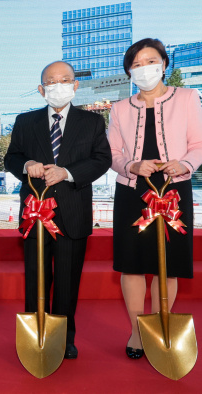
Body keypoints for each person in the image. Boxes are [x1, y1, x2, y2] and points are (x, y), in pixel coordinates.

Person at [4, 61, 111, 359]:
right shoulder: (25, 122)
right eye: (51, 81)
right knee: (35, 277)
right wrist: (27, 166)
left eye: (65, 79)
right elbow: (11, 158)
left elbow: (101, 160)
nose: (58, 85)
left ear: (75, 85)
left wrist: (67, 172)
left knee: (67, 280)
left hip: (73, 212)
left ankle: (64, 338)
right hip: (35, 214)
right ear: (41, 90)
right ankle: (36, 332)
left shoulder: (91, 123)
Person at [108, 38, 202, 359]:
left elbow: (199, 144)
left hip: (174, 189)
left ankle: (162, 322)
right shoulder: (119, 108)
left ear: (163, 63)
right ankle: (137, 331)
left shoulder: (188, 97)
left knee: (169, 265)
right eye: (136, 64)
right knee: (132, 265)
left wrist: (185, 164)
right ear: (129, 72)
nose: (144, 68)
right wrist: (132, 164)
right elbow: (113, 153)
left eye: (150, 61)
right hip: (133, 191)